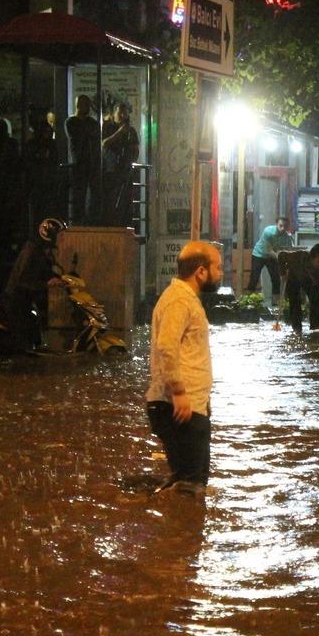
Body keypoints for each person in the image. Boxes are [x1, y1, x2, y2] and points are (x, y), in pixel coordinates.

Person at [146, 240, 223, 495]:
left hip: (190, 406)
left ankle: (180, 529)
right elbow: (167, 348)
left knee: (193, 482)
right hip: (177, 407)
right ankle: (177, 529)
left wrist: (202, 400)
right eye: (218, 268)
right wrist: (179, 392)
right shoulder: (179, 300)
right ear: (201, 271)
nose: (221, 274)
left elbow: (189, 353)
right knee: (190, 488)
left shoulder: (185, 298)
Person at [1, 218, 65, 353]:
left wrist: (61, 278)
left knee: (35, 334)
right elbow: (23, 279)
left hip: (27, 299)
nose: (62, 239)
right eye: (60, 235)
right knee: (24, 340)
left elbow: (45, 271)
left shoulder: (41, 249)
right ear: (50, 235)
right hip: (17, 299)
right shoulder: (32, 250)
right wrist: (46, 284)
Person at [100, 101, 139, 227]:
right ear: (114, 113)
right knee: (110, 201)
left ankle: (125, 224)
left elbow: (135, 148)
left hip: (125, 170)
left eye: (125, 113)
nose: (122, 115)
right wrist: (120, 133)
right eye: (120, 112)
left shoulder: (130, 130)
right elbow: (104, 144)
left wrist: (131, 161)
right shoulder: (107, 127)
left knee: (126, 201)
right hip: (110, 170)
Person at [282, 243, 319, 333]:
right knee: (295, 302)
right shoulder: (299, 255)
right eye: (318, 262)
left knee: (317, 300)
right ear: (311, 258)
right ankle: (297, 328)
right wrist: (282, 272)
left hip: (311, 281)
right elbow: (281, 255)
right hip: (294, 277)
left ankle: (314, 327)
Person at [65, 95, 99, 224]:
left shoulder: (92, 123)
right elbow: (77, 137)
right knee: (78, 196)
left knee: (91, 197)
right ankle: (77, 222)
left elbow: (94, 138)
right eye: (82, 104)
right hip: (78, 164)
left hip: (92, 164)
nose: (84, 107)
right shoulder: (71, 122)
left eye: (86, 104)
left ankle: (89, 222)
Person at [246, 216, 294, 305]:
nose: (282, 229)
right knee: (254, 278)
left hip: (272, 257)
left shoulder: (287, 237)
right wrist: (280, 258)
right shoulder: (268, 231)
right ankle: (248, 302)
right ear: (276, 224)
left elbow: (288, 251)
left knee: (276, 279)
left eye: (285, 227)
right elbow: (268, 250)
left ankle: (275, 303)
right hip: (259, 254)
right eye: (280, 226)